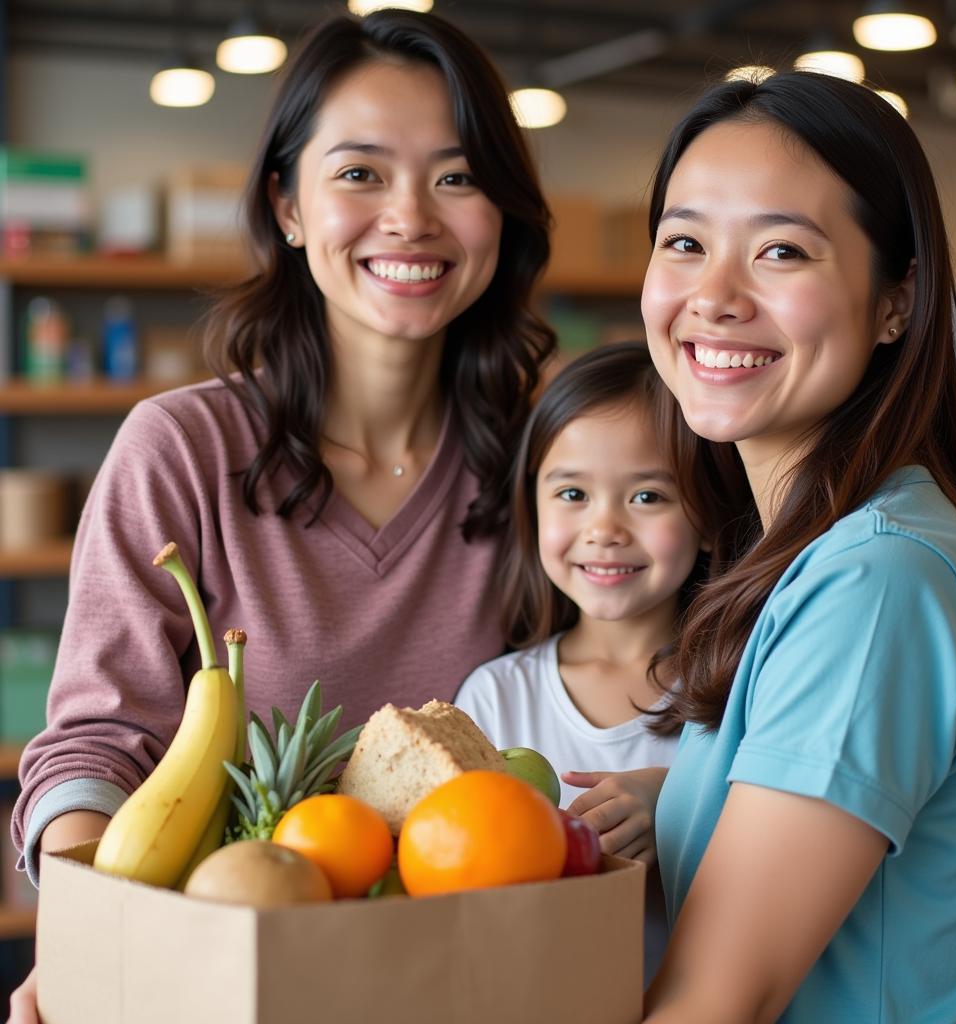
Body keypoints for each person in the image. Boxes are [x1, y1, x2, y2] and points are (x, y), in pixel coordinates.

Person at [8, 9, 555, 1020]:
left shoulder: (551, 466)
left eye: (457, 175)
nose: (410, 219)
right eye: (359, 173)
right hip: (223, 978)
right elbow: (95, 744)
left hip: (482, 978)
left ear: (504, 213)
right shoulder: (181, 450)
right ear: (287, 205)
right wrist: (90, 933)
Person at [639, 69, 956, 1021]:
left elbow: (717, 1003)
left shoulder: (878, 581)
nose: (715, 296)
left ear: (898, 300)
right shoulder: (817, 555)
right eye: (684, 242)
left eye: (781, 251)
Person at [455, 340, 712, 985]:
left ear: (708, 514)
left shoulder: (734, 693)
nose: (605, 528)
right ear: (532, 508)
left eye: (648, 497)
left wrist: (678, 808)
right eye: (572, 492)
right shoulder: (494, 697)